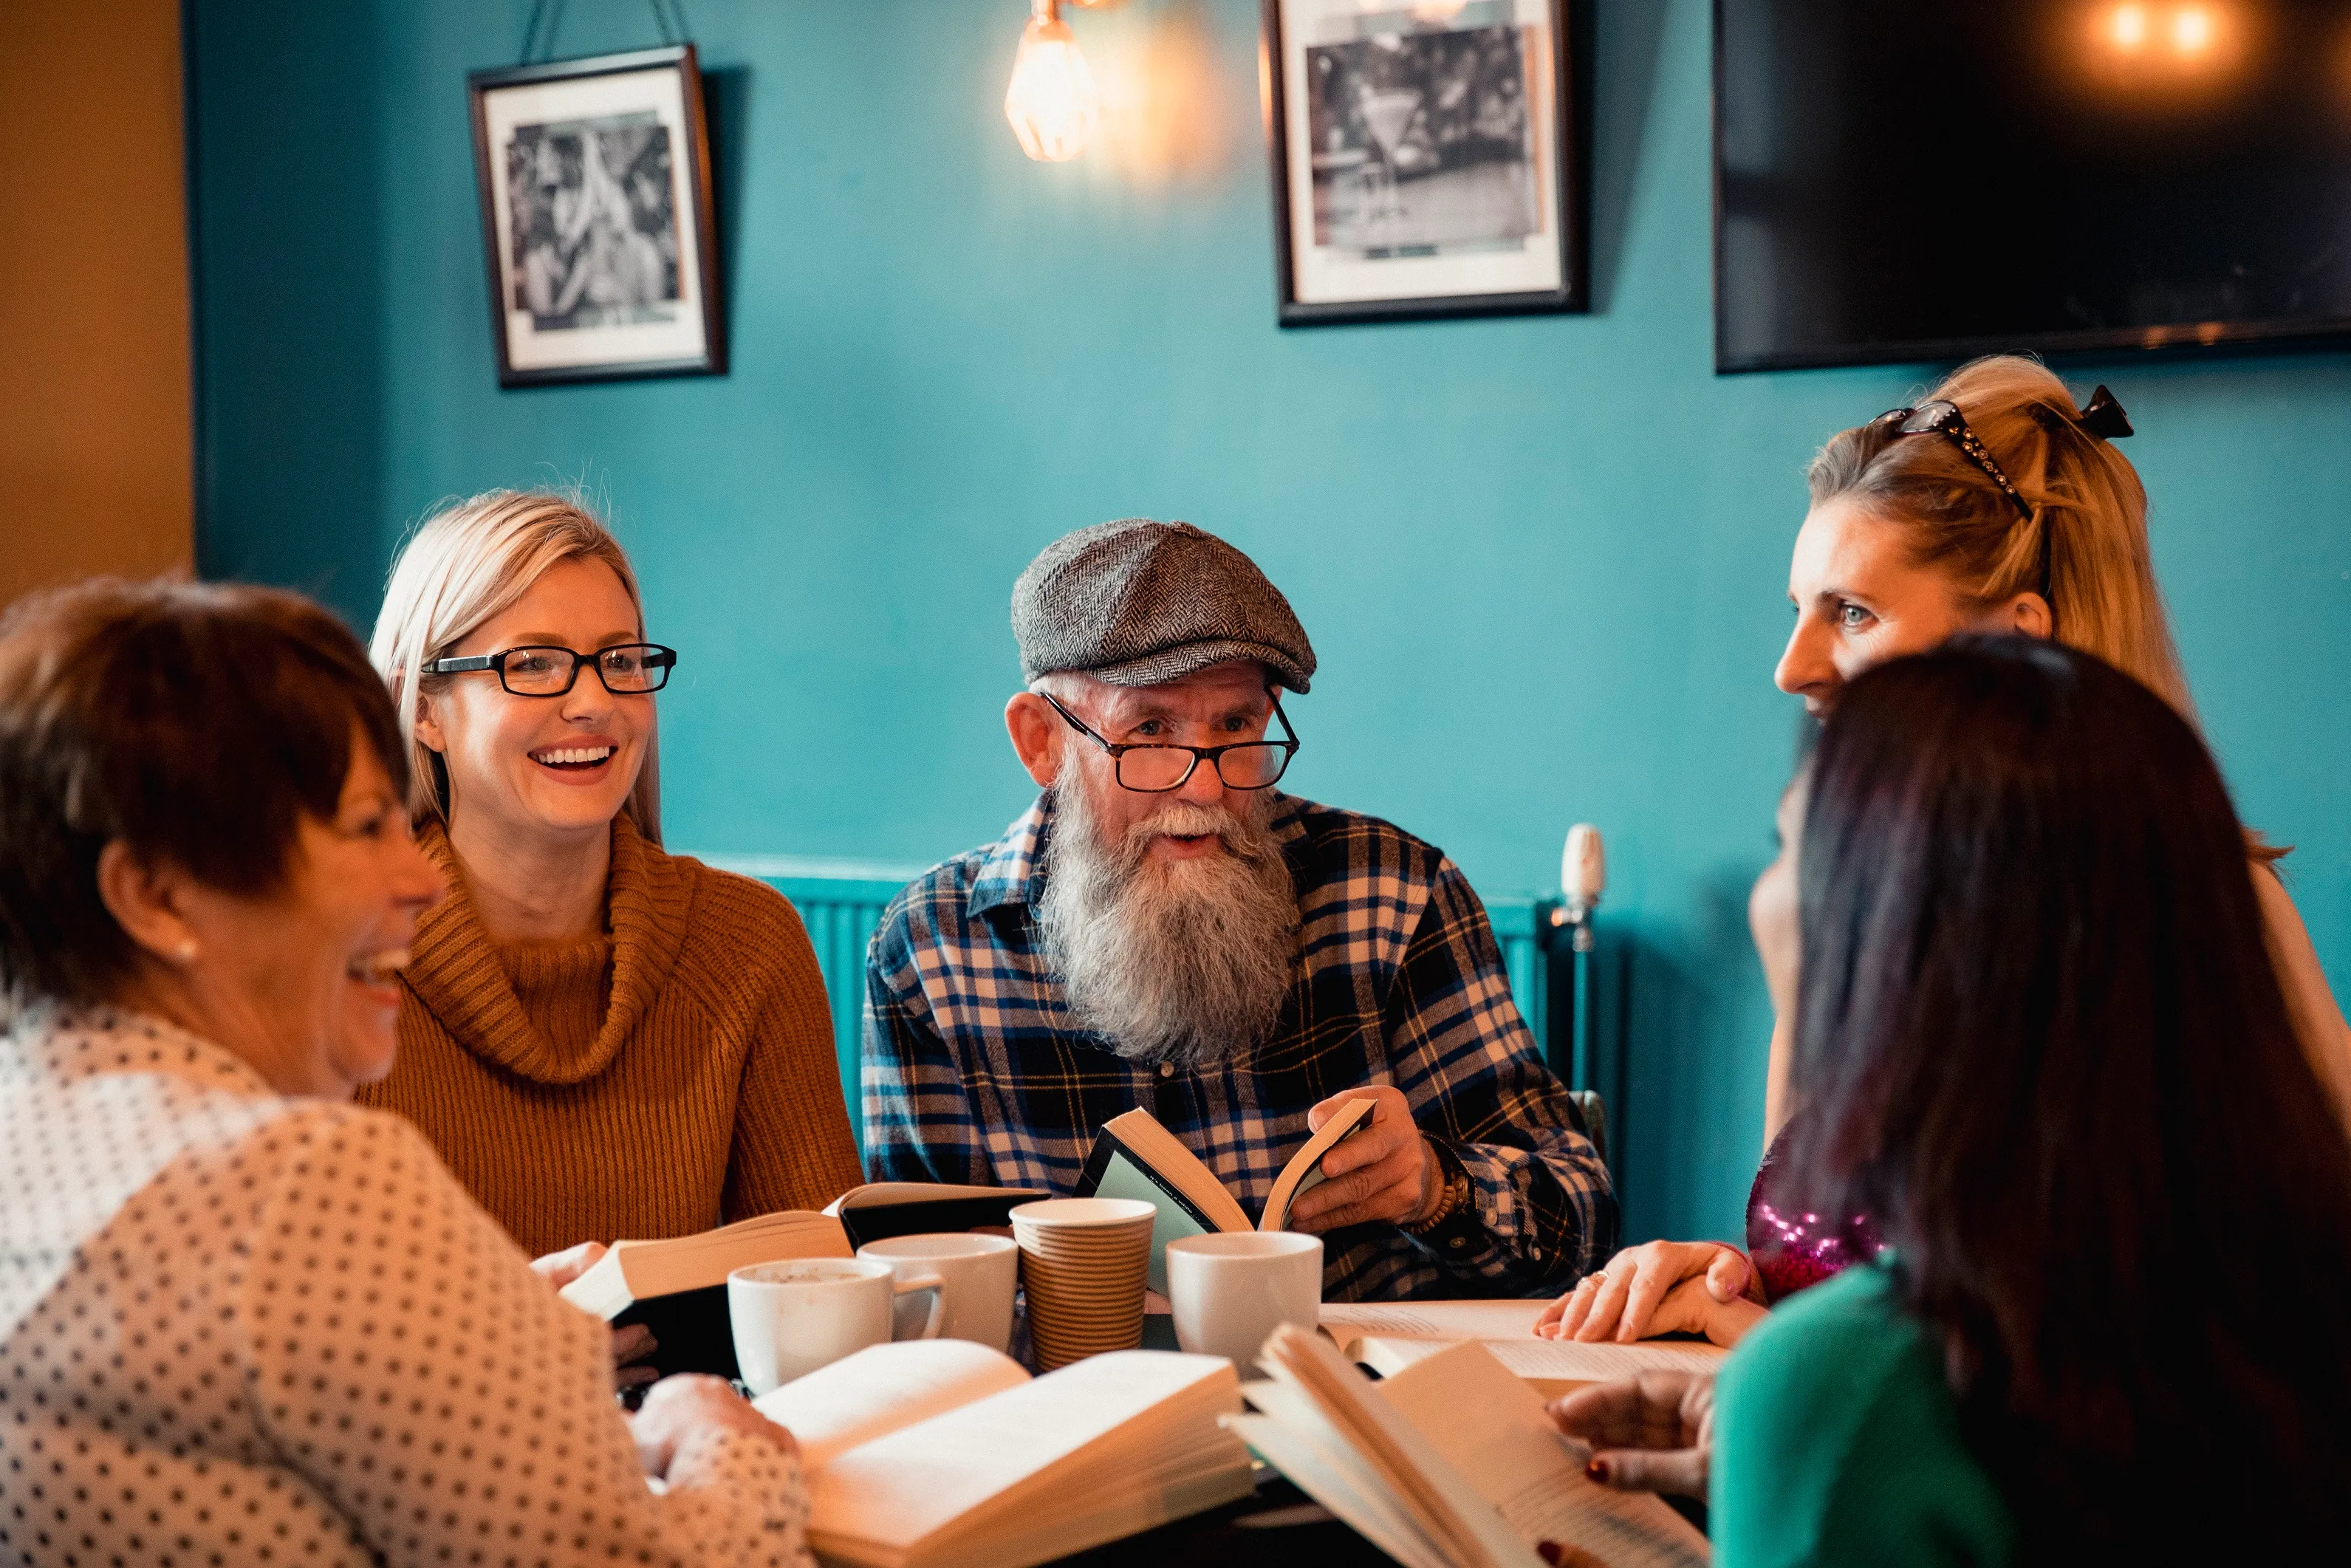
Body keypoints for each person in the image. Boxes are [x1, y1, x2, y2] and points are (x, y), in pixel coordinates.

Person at [0, 578, 810, 1567]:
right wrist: (723, 1443)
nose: (420, 878)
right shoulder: (301, 1181)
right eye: (361, 828)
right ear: (155, 895)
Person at [1543, 355, 2351, 1343]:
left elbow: (2204, 1365)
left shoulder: (2205, 907)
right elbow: (1830, 1291)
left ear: (2016, 646)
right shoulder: (1832, 913)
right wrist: (1726, 1285)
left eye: (1851, 611)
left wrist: (1772, 1358)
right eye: (1796, 608)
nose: (1789, 669)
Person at [1553, 638, 2351, 1561]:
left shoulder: (1849, 1382)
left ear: (1896, 932)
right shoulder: (2285, 1320)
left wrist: (1813, 1428)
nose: (1765, 900)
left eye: (1791, 850)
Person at [862, 518, 1613, 1300]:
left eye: (1235, 725)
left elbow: (1584, 1221)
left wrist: (1437, 1185)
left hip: (1356, 1398)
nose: (1208, 788)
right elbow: (916, 1288)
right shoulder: (932, 949)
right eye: (1151, 729)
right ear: (1042, 740)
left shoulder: (1394, 891)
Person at [360, 491, 861, 1260]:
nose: (593, 702)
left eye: (621, 660)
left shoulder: (750, 945)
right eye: (533, 664)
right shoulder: (336, 959)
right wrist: (510, 1327)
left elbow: (823, 1282)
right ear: (421, 706)